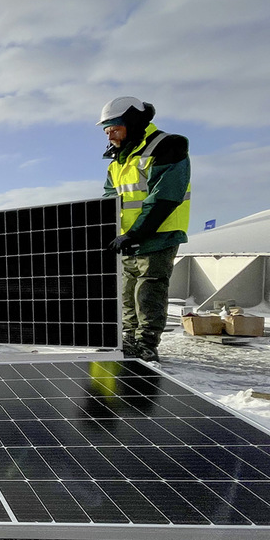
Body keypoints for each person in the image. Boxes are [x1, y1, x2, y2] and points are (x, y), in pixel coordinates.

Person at [99, 96, 191, 363]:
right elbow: (109, 199)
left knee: (149, 289)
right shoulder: (117, 162)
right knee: (127, 290)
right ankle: (129, 338)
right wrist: (110, 231)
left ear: (132, 122)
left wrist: (135, 233)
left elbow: (164, 198)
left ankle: (146, 343)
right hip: (128, 237)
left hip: (158, 233)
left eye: (115, 128)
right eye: (107, 131)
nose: (110, 135)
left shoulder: (168, 146)